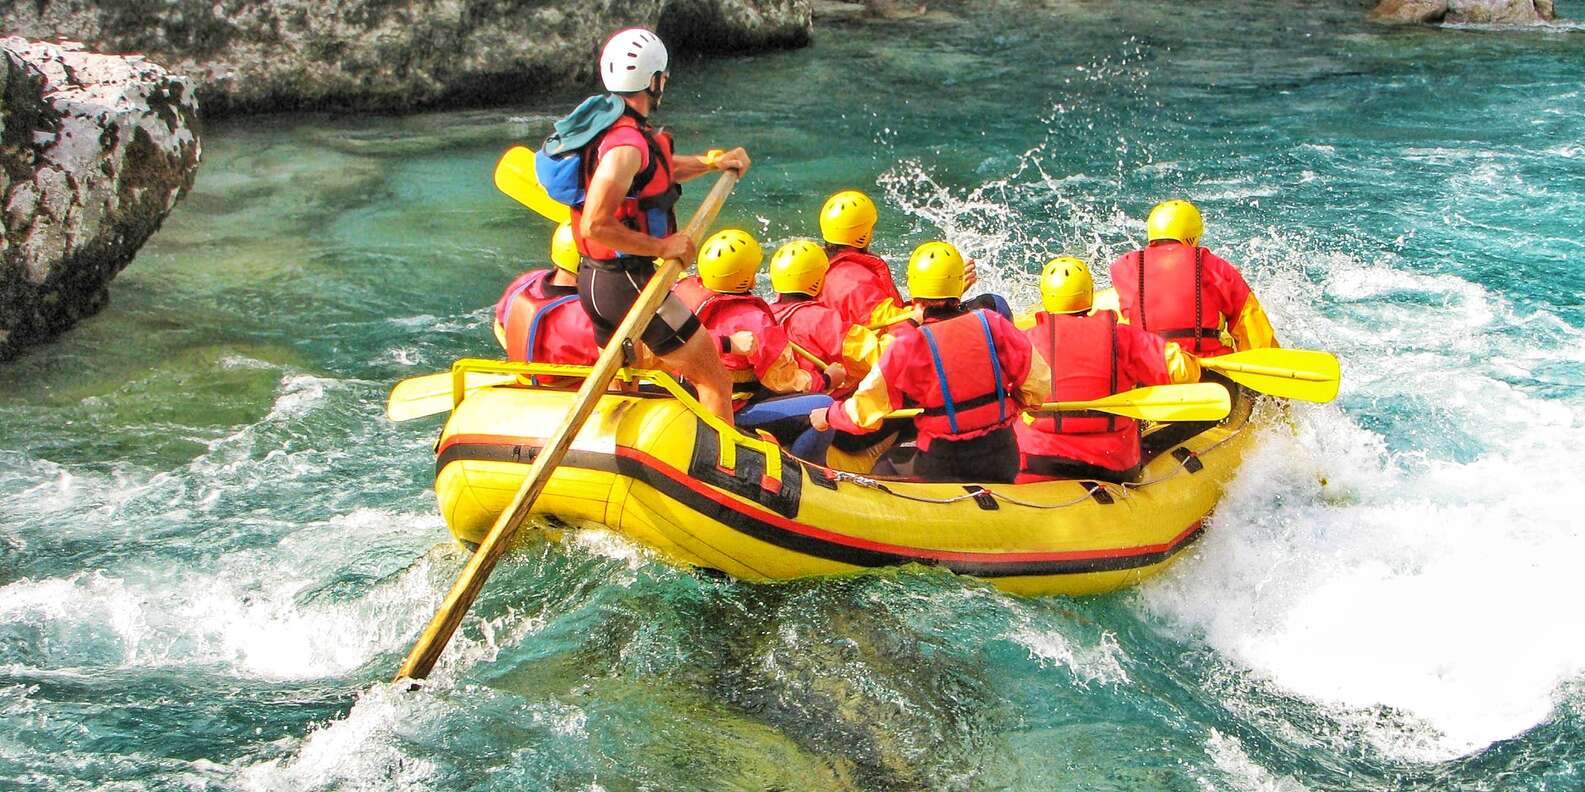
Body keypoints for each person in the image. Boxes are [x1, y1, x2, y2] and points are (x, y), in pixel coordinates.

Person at [566, 27, 751, 422]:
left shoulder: (611, 129)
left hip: (593, 280)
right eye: (662, 76)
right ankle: (726, 458)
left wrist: (712, 163)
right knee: (715, 381)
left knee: (625, 382)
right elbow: (595, 224)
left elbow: (657, 171)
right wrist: (663, 247)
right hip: (627, 283)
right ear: (652, 81)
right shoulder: (626, 145)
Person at [811, 241, 1050, 483]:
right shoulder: (992, 323)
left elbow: (866, 407)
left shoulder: (907, 345)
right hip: (1003, 457)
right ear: (958, 284)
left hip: (945, 462)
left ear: (914, 287)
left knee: (887, 464)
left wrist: (829, 416)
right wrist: (1016, 406)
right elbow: (1038, 384)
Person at [1014, 257, 1202, 483]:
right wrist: (1192, 361)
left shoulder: (1024, 342)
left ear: (1045, 297)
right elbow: (1182, 373)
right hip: (1110, 466)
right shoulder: (1122, 337)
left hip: (1036, 462)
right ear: (1090, 293)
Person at [1108, 199, 1278, 357]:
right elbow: (1254, 331)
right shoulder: (1215, 266)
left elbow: (1129, 314)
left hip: (1149, 363)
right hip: (1206, 363)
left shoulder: (1126, 266)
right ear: (1194, 235)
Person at [672, 229, 829, 400]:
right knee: (821, 401)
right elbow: (781, 380)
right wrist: (825, 380)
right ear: (750, 279)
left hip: (682, 389)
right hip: (730, 402)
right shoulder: (756, 320)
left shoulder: (679, 293)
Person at [493, 222, 598, 385]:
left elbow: (499, 323)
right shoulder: (586, 319)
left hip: (525, 380)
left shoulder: (527, 281)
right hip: (572, 392)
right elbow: (633, 357)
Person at [767, 239, 875, 396]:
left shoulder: (767, 315)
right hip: (825, 395)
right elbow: (867, 354)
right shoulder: (819, 319)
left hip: (788, 394)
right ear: (817, 280)